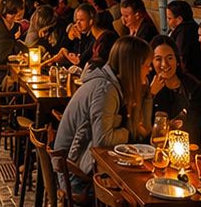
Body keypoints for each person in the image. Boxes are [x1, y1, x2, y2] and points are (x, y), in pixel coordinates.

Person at [52, 36, 154, 179]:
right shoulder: (106, 90)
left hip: (78, 164)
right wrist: (129, 131)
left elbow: (144, 129)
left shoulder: (115, 85)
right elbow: (103, 140)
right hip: (75, 174)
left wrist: (147, 94)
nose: (150, 70)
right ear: (134, 66)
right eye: (147, 65)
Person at [149, 34, 194, 120]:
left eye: (169, 58)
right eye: (158, 59)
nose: (164, 64)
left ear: (177, 60)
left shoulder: (190, 84)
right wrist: (150, 94)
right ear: (151, 62)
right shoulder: (145, 85)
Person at [164, 0, 201, 76]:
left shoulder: (184, 32)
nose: (167, 21)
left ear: (179, 19)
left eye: (169, 18)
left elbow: (181, 56)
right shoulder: (180, 29)